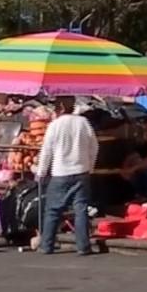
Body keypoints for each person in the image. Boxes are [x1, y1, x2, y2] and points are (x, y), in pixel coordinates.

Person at [37, 96, 99, 256]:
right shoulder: (83, 123)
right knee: (81, 209)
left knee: (53, 211)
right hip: (81, 172)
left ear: (61, 108)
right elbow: (94, 146)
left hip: (60, 173)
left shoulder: (54, 126)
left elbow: (46, 152)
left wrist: (41, 172)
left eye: (56, 107)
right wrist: (89, 167)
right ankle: (83, 246)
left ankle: (47, 245)